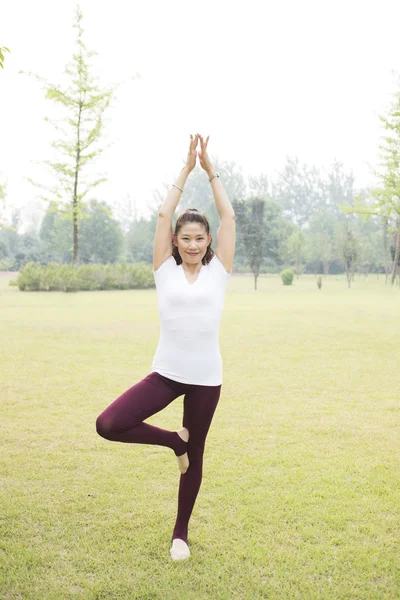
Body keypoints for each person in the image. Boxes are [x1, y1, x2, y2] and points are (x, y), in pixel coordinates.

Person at [96, 133, 236, 560]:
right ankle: (173, 442)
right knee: (109, 423)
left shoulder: (219, 272)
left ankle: (180, 534)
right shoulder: (163, 270)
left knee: (197, 455)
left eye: (200, 238)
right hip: (166, 374)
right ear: (175, 242)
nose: (193, 245)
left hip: (206, 379)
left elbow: (229, 218)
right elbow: (162, 214)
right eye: (185, 238)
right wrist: (185, 167)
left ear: (208, 241)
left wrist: (210, 169)